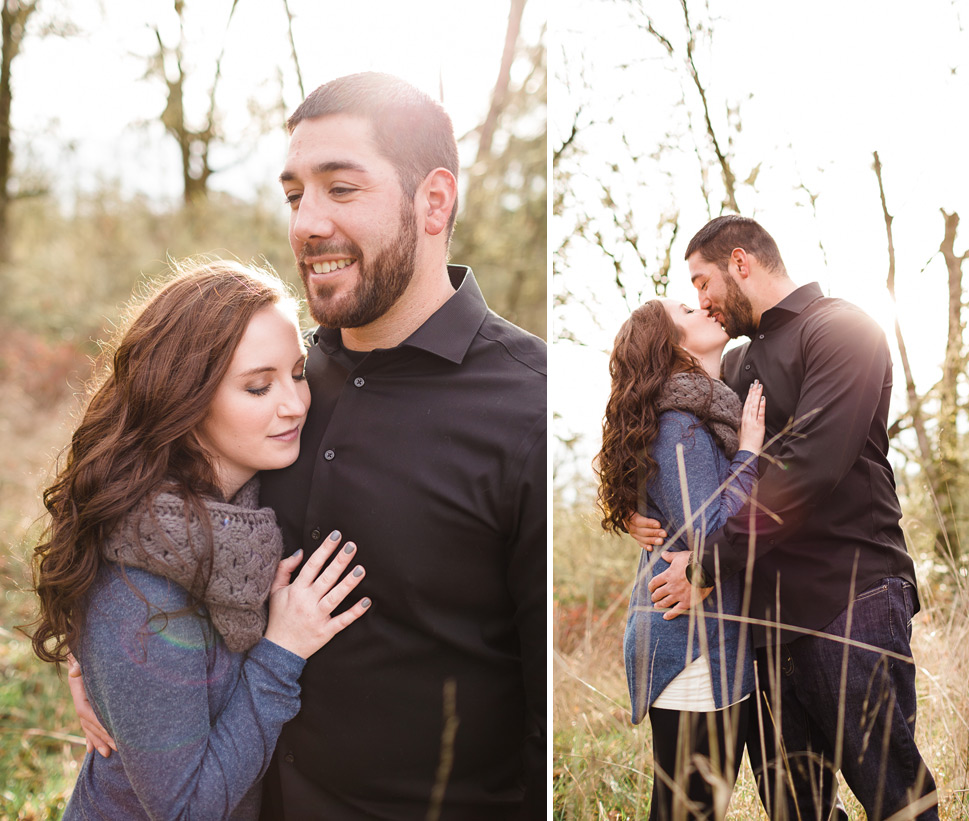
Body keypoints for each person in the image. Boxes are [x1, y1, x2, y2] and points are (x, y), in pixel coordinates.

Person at [69, 72, 546, 821]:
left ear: (434, 200)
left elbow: (544, 721)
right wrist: (95, 649)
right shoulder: (273, 385)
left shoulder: (528, 406)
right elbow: (141, 506)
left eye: (341, 189)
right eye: (295, 195)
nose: (305, 223)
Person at [30, 260, 372, 820]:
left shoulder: (240, 509)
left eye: (299, 372)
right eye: (259, 387)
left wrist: (88, 657)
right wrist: (281, 652)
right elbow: (186, 810)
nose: (294, 404)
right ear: (183, 398)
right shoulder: (144, 595)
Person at [629, 215, 938, 821]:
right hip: (766, 628)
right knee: (796, 811)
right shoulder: (739, 365)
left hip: (849, 602)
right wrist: (639, 511)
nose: (701, 302)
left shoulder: (843, 330)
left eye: (702, 282)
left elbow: (807, 468)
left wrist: (708, 562)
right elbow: (678, 441)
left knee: (893, 795)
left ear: (741, 263)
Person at [596, 298, 766, 820]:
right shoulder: (680, 424)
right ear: (673, 346)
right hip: (691, 647)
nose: (706, 309)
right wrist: (751, 453)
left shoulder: (706, 413)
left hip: (713, 640)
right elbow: (712, 532)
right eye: (689, 311)